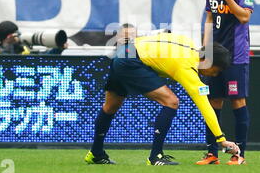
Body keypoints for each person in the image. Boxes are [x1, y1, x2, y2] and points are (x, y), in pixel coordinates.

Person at [84, 31, 240, 165]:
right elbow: (204, 105)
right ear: (207, 61)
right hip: (131, 61)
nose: (215, 75)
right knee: (171, 102)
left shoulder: (189, 44)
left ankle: (96, 153)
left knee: (110, 106)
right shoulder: (186, 66)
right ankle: (155, 157)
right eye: (216, 70)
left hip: (124, 52)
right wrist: (221, 139)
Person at [196, 0, 254, 166]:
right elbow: (210, 18)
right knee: (213, 102)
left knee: (237, 101)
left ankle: (239, 154)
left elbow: (244, 17)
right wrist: (205, 49)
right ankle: (212, 153)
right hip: (215, 54)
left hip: (235, 55)